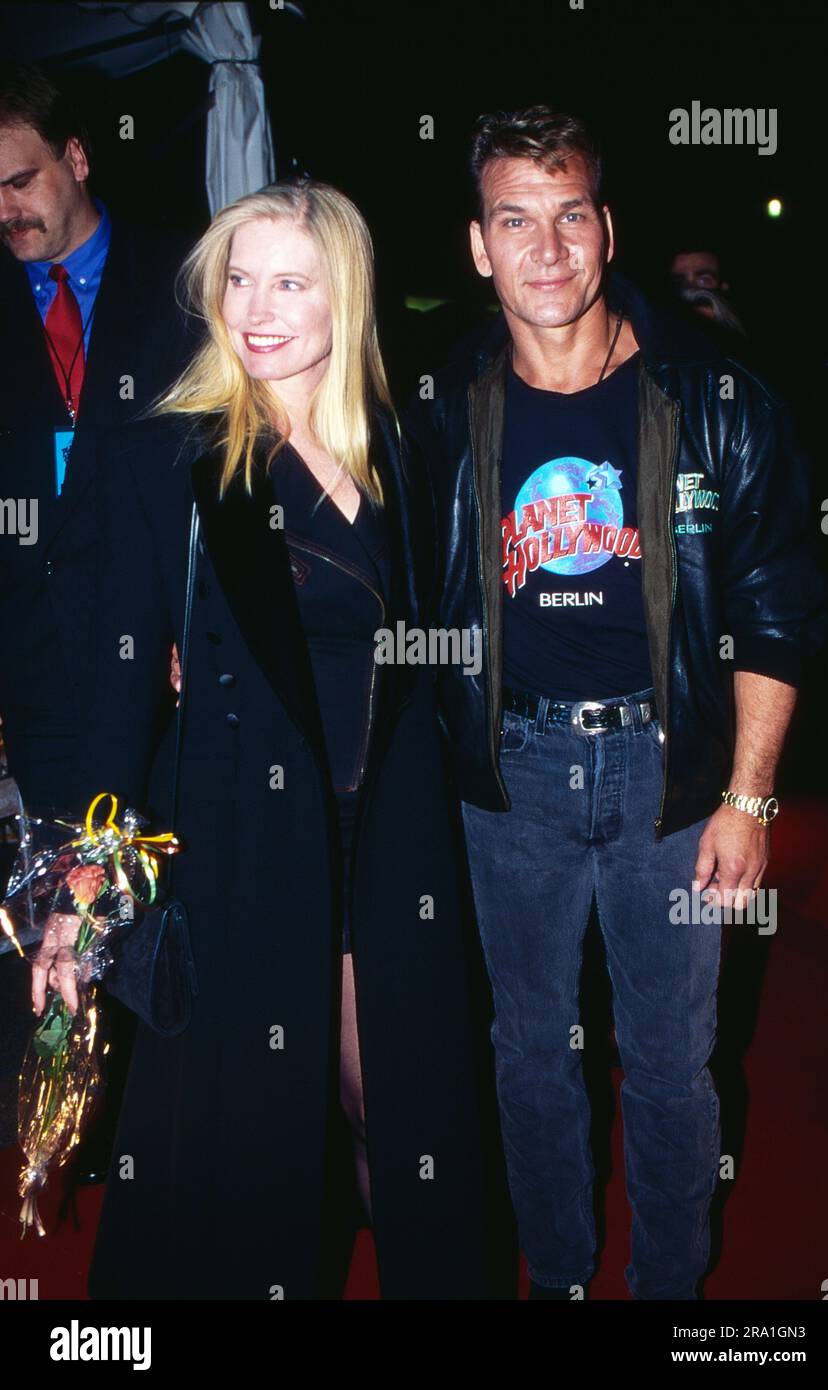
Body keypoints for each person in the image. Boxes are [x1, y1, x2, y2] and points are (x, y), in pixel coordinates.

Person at [31, 177, 512, 1300]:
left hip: (391, 838)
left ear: (343, 298)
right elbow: (114, 683)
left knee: (398, 1103)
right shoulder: (177, 455)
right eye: (237, 279)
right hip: (246, 839)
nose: (255, 306)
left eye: (288, 281)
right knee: (245, 1139)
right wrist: (80, 886)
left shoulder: (401, 445)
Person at [406, 105, 826, 1300]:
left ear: (606, 227)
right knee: (529, 1055)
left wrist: (747, 795)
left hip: (673, 775)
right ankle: (560, 1275)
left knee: (671, 1065)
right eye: (514, 221)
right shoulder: (441, 404)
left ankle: (669, 1296)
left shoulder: (716, 397)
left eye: (569, 215)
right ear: (478, 247)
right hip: (510, 776)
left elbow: (776, 603)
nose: (546, 250)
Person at [0, 63, 194, 814]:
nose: (6, 209)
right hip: (37, 675)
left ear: (76, 158)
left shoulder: (184, 278)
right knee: (69, 909)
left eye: (20, 181)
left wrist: (196, 614)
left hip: (164, 666)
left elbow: (223, 461)